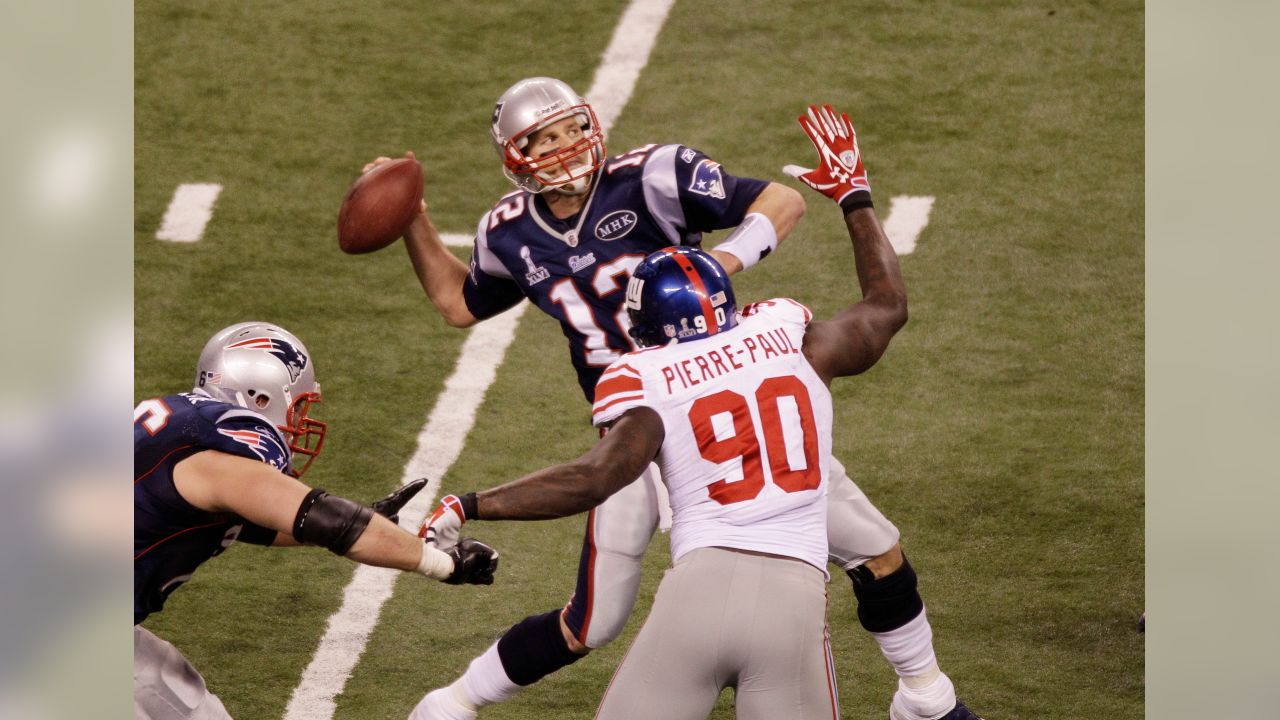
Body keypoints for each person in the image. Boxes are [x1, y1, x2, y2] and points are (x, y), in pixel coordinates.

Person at [373, 84, 977, 720]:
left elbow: (780, 201)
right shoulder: (507, 231)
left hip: (694, 404)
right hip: (635, 430)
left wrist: (705, 267)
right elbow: (458, 303)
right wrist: (410, 215)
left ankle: (925, 697)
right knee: (592, 622)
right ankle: (452, 702)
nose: (563, 146)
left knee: (876, 548)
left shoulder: (651, 175)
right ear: (516, 156)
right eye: (542, 139)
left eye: (570, 128)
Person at [133, 322, 500, 720]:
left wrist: (370, 521)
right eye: (297, 406)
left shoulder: (183, 426)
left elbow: (256, 523)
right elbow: (328, 521)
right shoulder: (216, 453)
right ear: (258, 397)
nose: (298, 424)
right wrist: (443, 563)